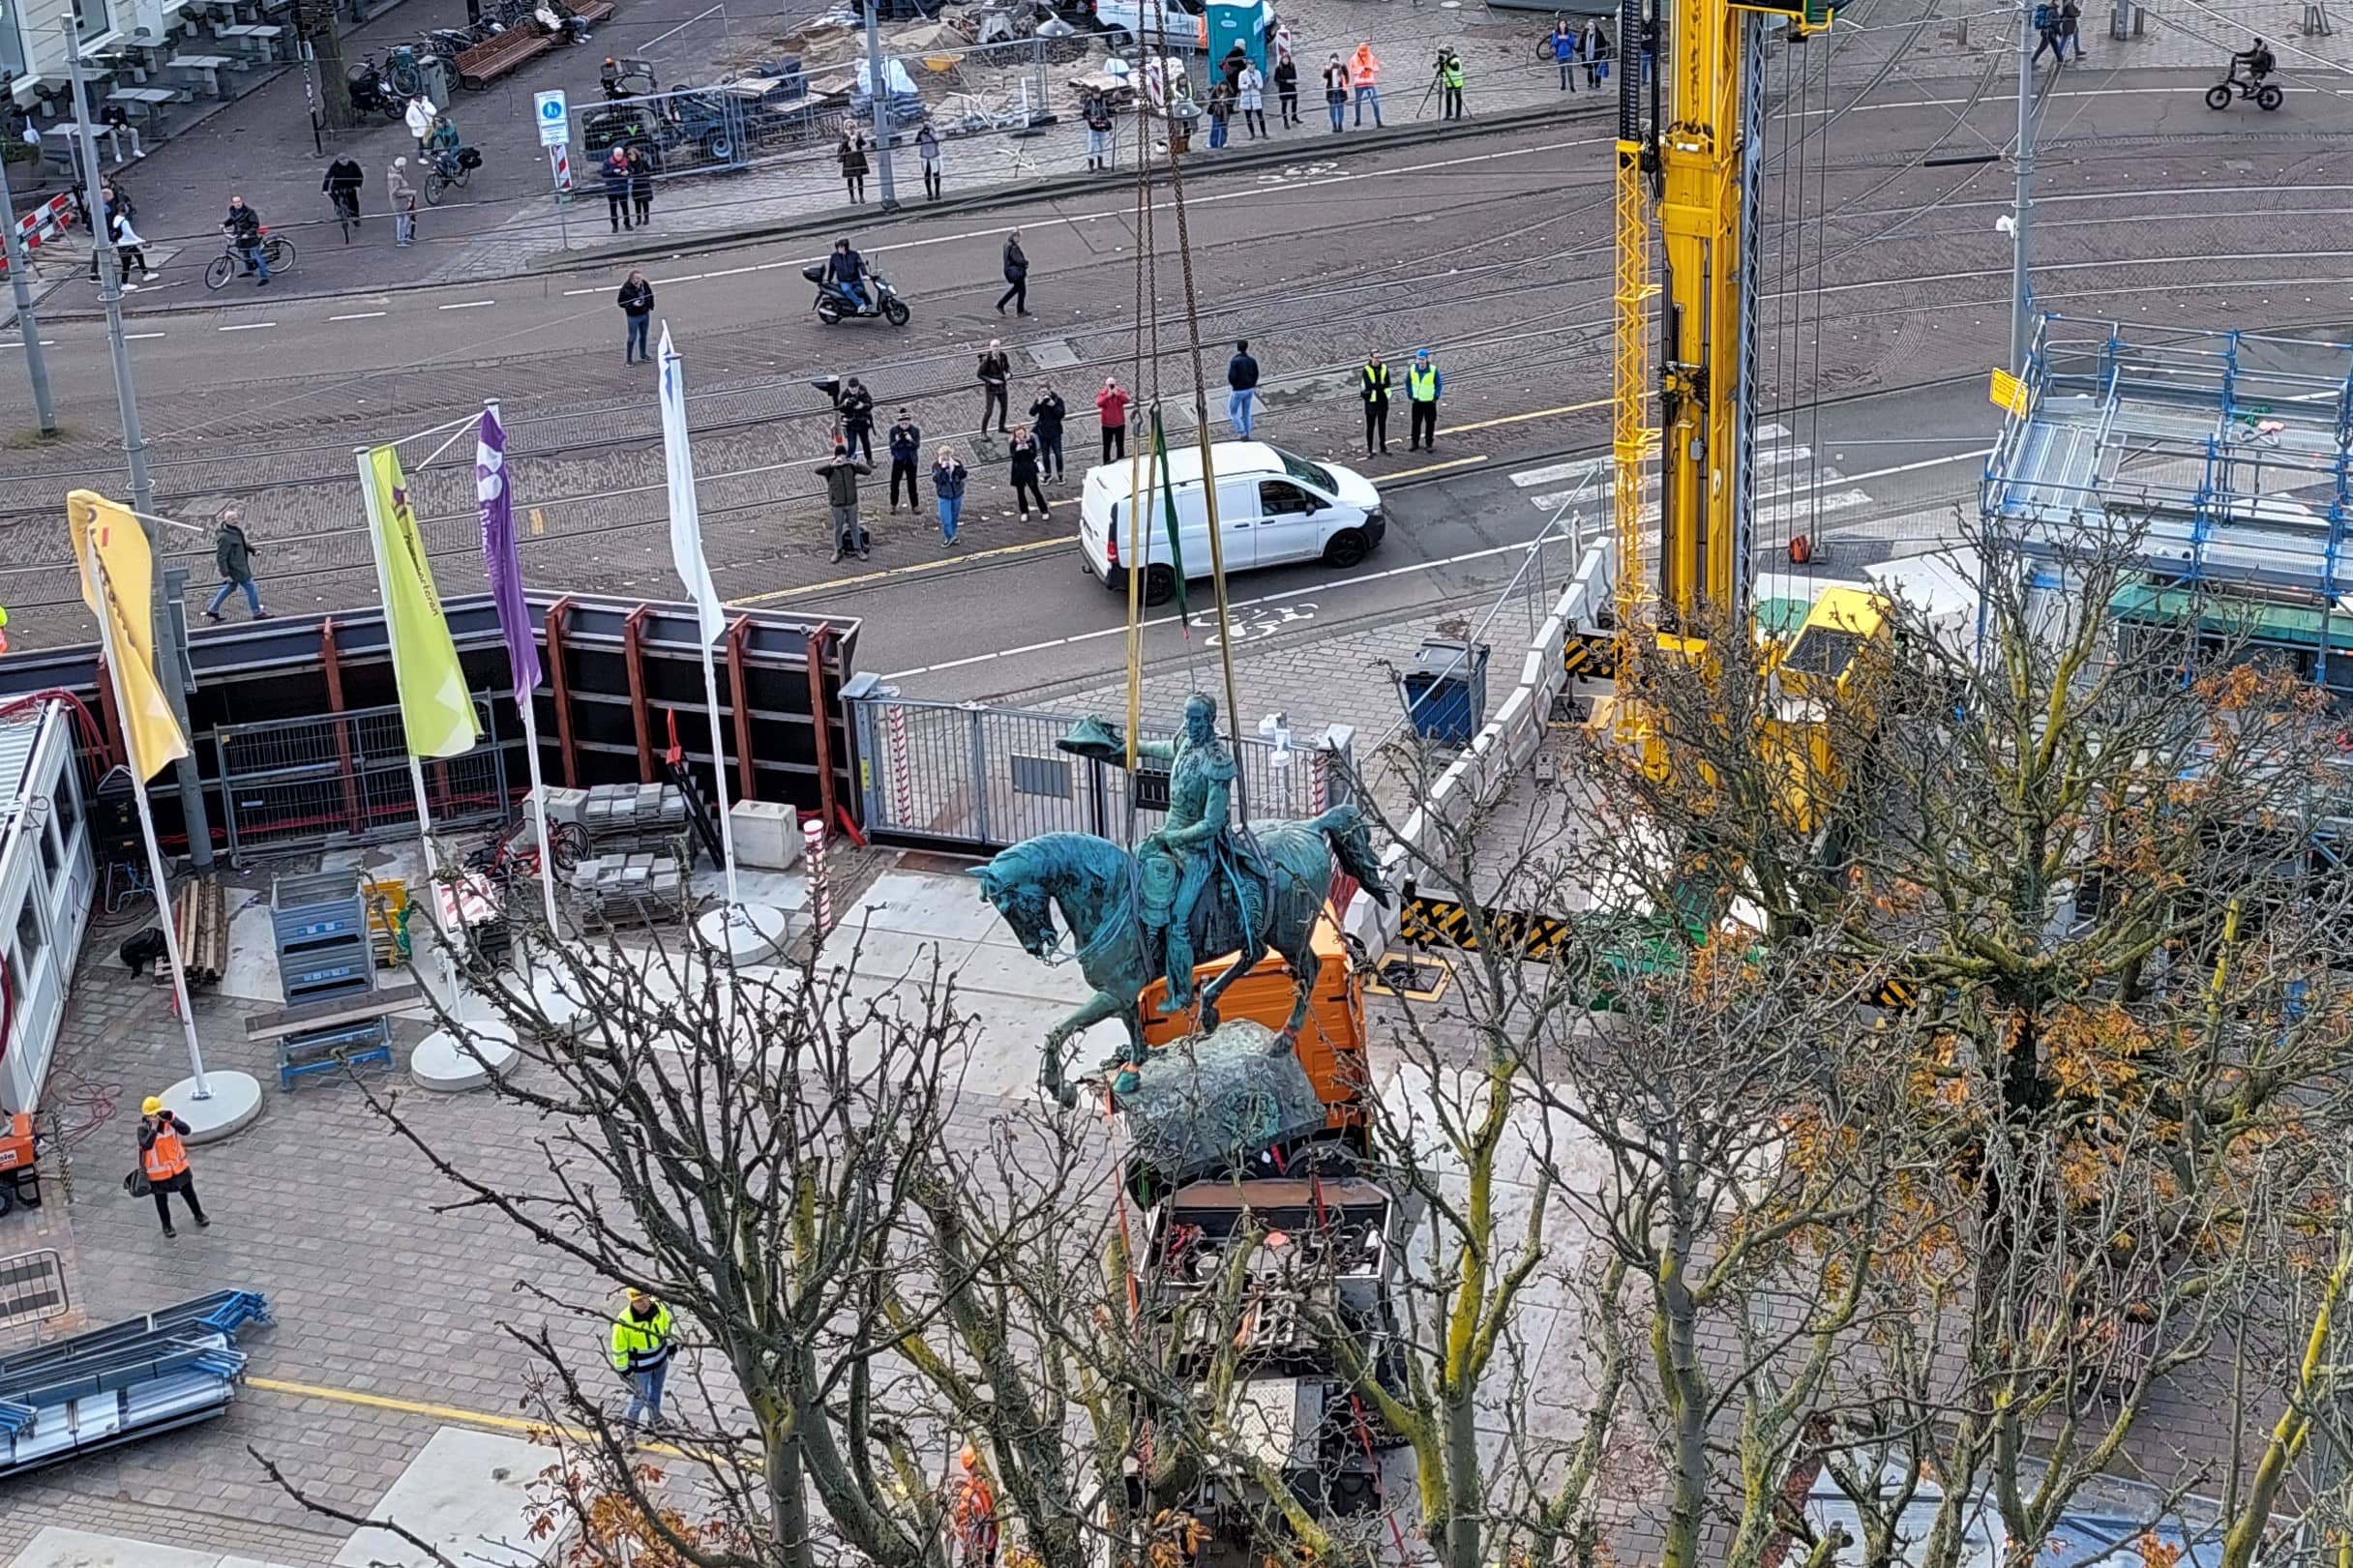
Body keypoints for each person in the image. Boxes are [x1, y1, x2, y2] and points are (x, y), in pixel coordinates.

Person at [1134, 693, 1237, 1011]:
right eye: (1187, 718)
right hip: (1168, 836)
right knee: (1132, 871)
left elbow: (1211, 823)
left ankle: (1180, 992)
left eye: (1196, 719)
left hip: (1198, 851)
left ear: (1210, 721)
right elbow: (1165, 750)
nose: (1190, 725)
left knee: (1179, 920)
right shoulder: (1185, 742)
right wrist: (1131, 746)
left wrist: (1174, 836)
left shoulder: (1218, 764)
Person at [137, 1096, 210, 1238]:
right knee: (161, 1200)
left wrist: (172, 1119)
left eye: (157, 1114)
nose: (155, 1117)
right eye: (152, 1115)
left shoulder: (170, 1123)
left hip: (178, 1167)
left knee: (189, 1193)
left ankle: (199, 1215)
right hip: (158, 1173)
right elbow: (146, 1145)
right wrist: (153, 1129)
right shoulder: (143, 1130)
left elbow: (186, 1130)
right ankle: (166, 1225)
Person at [608, 1289, 674, 1431]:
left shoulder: (659, 1308)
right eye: (639, 1301)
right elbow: (619, 1348)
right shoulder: (624, 1322)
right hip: (640, 1368)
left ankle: (656, 1420)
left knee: (656, 1391)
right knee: (640, 1399)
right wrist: (624, 1369)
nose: (644, 1303)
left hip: (660, 1361)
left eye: (645, 1298)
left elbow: (668, 1327)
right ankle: (629, 1430)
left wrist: (671, 1345)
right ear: (632, 1302)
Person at [203, 507, 265, 620]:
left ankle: (213, 610)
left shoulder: (235, 531)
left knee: (230, 587)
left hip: (239, 567)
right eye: (233, 519)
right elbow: (221, 556)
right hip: (236, 569)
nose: (236, 521)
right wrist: (225, 573)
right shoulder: (224, 537)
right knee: (251, 587)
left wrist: (253, 550)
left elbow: (242, 543)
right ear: (226, 520)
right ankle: (257, 612)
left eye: (236, 518)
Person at [819, 441, 873, 562]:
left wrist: (855, 463)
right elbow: (817, 470)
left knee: (854, 526)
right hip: (837, 504)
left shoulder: (850, 466)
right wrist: (832, 465)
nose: (842, 459)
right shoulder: (831, 469)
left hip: (851, 502)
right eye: (840, 456)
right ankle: (838, 550)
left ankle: (858, 549)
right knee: (838, 527)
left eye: (844, 456)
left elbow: (868, 471)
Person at [953, 1445, 999, 1568]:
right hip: (979, 1546)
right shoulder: (969, 1493)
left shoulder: (983, 1486)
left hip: (988, 1543)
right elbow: (969, 1526)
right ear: (972, 1466)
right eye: (978, 1461)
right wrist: (977, 1549)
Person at [223, 194, 268, 285]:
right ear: (232, 203)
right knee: (245, 255)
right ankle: (249, 270)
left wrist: (248, 234)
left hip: (251, 239)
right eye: (235, 202)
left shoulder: (249, 212)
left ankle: (264, 277)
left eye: (239, 201)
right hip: (241, 238)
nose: (238, 203)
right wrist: (224, 224)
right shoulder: (233, 211)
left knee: (257, 257)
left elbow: (255, 224)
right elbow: (232, 220)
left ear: (242, 202)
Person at [1406, 347, 1443, 451]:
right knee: (1416, 423)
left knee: (1430, 423)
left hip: (1429, 401)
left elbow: (1438, 384)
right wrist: (1410, 394)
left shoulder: (1433, 370)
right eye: (1419, 359)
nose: (1420, 362)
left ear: (1426, 359)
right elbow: (1408, 382)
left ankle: (1429, 444)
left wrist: (1436, 395)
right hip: (1417, 401)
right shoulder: (1412, 369)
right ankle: (1415, 443)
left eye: (1422, 359)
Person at [1029, 382, 1067, 482]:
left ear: (1049, 391)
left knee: (1058, 454)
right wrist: (1038, 403)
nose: (1044, 394)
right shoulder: (1039, 401)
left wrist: (1053, 405)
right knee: (1045, 455)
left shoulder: (1057, 400)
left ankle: (1060, 474)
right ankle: (1047, 474)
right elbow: (1032, 413)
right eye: (1041, 393)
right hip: (1043, 432)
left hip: (1055, 431)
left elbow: (1061, 414)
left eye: (1045, 392)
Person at [1007, 424, 1047, 519]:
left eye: (1021, 433)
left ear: (1025, 433)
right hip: (1018, 470)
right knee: (1020, 493)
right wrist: (1018, 450)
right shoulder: (1013, 443)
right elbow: (1013, 457)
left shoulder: (1030, 441)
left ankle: (1044, 510)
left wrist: (1027, 449)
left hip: (1029, 469)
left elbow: (1034, 455)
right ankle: (1024, 512)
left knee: (1036, 491)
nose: (1020, 436)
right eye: (1018, 434)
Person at [887, 408, 923, 511]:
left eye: (906, 423)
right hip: (898, 460)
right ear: (899, 423)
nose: (904, 425)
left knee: (912, 483)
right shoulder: (894, 430)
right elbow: (891, 446)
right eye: (902, 423)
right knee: (894, 483)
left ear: (909, 422)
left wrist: (910, 440)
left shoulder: (915, 430)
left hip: (911, 460)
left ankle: (915, 505)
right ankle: (893, 504)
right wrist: (897, 441)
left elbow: (917, 445)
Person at [933, 444, 968, 544]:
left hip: (956, 493)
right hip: (944, 495)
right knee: (945, 518)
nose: (946, 457)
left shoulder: (956, 463)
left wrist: (957, 468)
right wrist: (943, 469)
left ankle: (953, 534)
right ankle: (950, 536)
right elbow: (936, 479)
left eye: (948, 455)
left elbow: (963, 475)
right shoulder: (936, 465)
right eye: (944, 455)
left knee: (954, 516)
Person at [617, 269, 654, 364]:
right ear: (632, 279)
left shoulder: (644, 284)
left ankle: (643, 355)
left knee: (644, 335)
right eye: (638, 278)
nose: (640, 280)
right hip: (633, 317)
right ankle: (629, 359)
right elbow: (621, 303)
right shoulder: (626, 289)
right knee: (632, 337)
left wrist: (650, 306)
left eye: (640, 278)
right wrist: (632, 304)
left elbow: (650, 294)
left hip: (645, 313)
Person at [838, 375, 877, 462]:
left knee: (866, 443)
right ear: (848, 387)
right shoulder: (845, 394)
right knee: (852, 445)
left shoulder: (863, 391)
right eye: (851, 388)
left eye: (855, 387)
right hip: (851, 424)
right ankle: (848, 461)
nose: (853, 389)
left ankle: (869, 459)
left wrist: (863, 406)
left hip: (862, 422)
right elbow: (840, 409)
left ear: (858, 386)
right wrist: (845, 404)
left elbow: (870, 404)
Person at [1361, 350, 1393, 455]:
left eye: (1379, 357)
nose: (1377, 359)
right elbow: (1368, 385)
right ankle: (1370, 449)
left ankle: (1383, 447)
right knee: (1370, 427)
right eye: (1375, 357)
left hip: (1382, 401)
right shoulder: (1366, 369)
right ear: (1370, 358)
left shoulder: (1384, 367)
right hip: (1371, 402)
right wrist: (1380, 385)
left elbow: (1388, 383)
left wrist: (1377, 385)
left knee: (1382, 425)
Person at [323, 155, 365, 235]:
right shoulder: (334, 166)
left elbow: (360, 175)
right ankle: (340, 211)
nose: (344, 162)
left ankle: (355, 219)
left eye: (346, 159)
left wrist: (358, 186)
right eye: (342, 160)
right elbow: (328, 177)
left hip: (351, 186)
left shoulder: (353, 164)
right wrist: (325, 190)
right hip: (338, 187)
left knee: (354, 202)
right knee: (337, 200)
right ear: (338, 161)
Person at [1226, 339, 1260, 437]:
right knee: (1246, 413)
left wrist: (1235, 385)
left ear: (1238, 348)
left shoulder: (1235, 361)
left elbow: (1231, 376)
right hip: (1249, 389)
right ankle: (1248, 433)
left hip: (1238, 390)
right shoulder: (1252, 360)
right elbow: (1256, 374)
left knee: (1233, 412)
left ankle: (1242, 432)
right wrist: (1252, 384)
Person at [978, 340, 1011, 433]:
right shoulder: (986, 360)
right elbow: (980, 374)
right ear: (990, 348)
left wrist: (1008, 374)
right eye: (994, 346)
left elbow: (1007, 367)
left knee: (1004, 407)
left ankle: (1001, 427)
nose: (996, 348)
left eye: (997, 346)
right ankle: (983, 432)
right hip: (991, 388)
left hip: (1002, 386)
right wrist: (991, 380)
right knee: (989, 411)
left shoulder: (1003, 356)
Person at [827, 237, 869, 311]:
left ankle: (869, 304)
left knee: (861, 291)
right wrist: (829, 280)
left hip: (856, 279)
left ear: (846, 246)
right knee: (846, 290)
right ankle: (860, 304)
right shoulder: (834, 257)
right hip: (844, 281)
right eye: (838, 247)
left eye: (842, 246)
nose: (840, 248)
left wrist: (865, 274)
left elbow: (861, 264)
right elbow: (831, 269)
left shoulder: (854, 254)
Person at [1097, 376, 1131, 461]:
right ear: (1106, 385)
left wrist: (1118, 394)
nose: (1111, 387)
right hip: (1107, 425)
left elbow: (1127, 399)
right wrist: (1107, 396)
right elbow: (1098, 403)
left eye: (1112, 385)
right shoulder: (1103, 393)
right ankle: (1106, 463)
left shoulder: (1119, 392)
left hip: (1119, 424)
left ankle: (1121, 461)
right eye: (1109, 385)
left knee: (1120, 445)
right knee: (1106, 446)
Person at [601, 145, 634, 232]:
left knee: (625, 207)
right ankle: (615, 225)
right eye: (617, 155)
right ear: (614, 154)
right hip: (611, 188)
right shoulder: (607, 162)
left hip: (623, 187)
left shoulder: (626, 161)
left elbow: (631, 171)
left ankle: (627, 223)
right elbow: (603, 173)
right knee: (613, 208)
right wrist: (612, 171)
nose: (619, 157)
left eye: (621, 155)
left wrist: (627, 173)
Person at [1350, 44, 1383, 128]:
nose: (1363, 54)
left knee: (1375, 102)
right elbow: (1352, 71)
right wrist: (1360, 70)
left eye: (1365, 51)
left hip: (1370, 83)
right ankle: (1358, 119)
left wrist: (1371, 69)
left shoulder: (1371, 57)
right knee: (1358, 102)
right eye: (1362, 52)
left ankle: (1378, 121)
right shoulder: (1353, 59)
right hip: (1359, 84)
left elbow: (1377, 68)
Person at [998, 231, 1029, 316]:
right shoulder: (1013, 247)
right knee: (1022, 291)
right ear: (1014, 236)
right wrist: (1025, 262)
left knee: (1016, 289)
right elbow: (1018, 260)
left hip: (1011, 271)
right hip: (1017, 272)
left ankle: (1001, 304)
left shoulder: (1007, 245)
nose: (1019, 239)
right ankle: (1020, 311)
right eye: (1018, 237)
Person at [388, 158, 418, 248]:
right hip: (399, 203)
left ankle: (405, 236)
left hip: (402, 202)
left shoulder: (396, 175)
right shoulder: (395, 177)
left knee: (406, 219)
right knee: (401, 220)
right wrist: (410, 193)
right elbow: (395, 192)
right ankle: (401, 239)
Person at [1084, 89, 1114, 170]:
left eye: (1098, 93)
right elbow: (1085, 114)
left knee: (1102, 145)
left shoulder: (1104, 101)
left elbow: (1109, 111)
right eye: (1095, 93)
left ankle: (1100, 165)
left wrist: (1114, 111)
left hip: (1103, 126)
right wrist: (1090, 118)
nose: (1097, 95)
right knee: (1092, 146)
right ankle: (1091, 167)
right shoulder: (1089, 102)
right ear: (1092, 94)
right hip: (1093, 127)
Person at [1237, 58, 1266, 137]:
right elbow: (1240, 86)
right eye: (1249, 65)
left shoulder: (1258, 73)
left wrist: (1256, 84)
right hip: (1246, 97)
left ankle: (1264, 133)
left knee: (1260, 116)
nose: (1251, 66)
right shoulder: (1242, 74)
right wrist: (1247, 85)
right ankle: (1252, 133)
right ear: (1247, 65)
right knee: (1248, 117)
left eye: (1253, 65)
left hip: (1255, 95)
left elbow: (1261, 85)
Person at [627, 144, 654, 227]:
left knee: (645, 202)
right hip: (635, 184)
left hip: (643, 183)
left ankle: (646, 218)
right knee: (637, 203)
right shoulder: (628, 164)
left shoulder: (643, 161)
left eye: (632, 154)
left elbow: (649, 171)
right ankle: (638, 219)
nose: (630, 156)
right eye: (629, 155)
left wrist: (644, 176)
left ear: (636, 154)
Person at [1324, 53, 1351, 132]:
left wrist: (1341, 71)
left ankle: (1340, 124)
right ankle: (1334, 124)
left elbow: (1347, 78)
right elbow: (1325, 76)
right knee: (1332, 107)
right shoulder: (1328, 67)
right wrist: (1329, 68)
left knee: (1340, 107)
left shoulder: (1342, 66)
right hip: (1331, 91)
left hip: (1340, 90)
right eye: (1333, 60)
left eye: (1335, 59)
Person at [840, 131, 869, 203]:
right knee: (850, 178)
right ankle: (852, 197)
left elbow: (863, 143)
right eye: (849, 126)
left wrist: (859, 137)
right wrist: (846, 140)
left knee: (860, 178)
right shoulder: (845, 135)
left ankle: (861, 196)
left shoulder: (857, 133)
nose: (851, 128)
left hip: (859, 159)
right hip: (849, 160)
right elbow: (840, 149)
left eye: (852, 126)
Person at [1552, 16, 1580, 91]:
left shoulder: (1570, 33)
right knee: (1562, 71)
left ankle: (1572, 86)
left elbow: (1572, 43)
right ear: (1559, 25)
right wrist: (1559, 38)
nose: (1562, 25)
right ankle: (1563, 84)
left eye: (1564, 23)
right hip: (1560, 55)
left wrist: (1567, 38)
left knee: (1570, 70)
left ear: (1566, 25)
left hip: (1568, 55)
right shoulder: (1556, 33)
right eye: (1561, 24)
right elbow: (1553, 43)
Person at [917, 122, 943, 198]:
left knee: (936, 174)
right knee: (927, 175)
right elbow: (916, 141)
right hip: (925, 156)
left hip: (934, 155)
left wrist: (930, 134)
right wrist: (920, 133)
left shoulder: (933, 132)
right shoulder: (921, 133)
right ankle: (929, 193)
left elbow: (937, 141)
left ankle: (937, 192)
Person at [1206, 79, 1234, 149]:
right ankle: (1213, 143)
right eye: (1222, 85)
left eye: (1225, 86)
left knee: (1224, 128)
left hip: (1225, 112)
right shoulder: (1215, 91)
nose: (1224, 87)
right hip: (1216, 111)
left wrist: (1226, 102)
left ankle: (1223, 143)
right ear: (1220, 85)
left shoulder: (1229, 92)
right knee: (1215, 127)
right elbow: (1211, 100)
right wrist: (1218, 101)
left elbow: (1232, 101)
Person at [1273, 52, 1299, 126]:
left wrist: (1295, 81)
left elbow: (1294, 75)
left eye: (1287, 59)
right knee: (1284, 105)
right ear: (1282, 59)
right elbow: (1276, 79)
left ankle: (1294, 117)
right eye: (1284, 59)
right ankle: (1285, 121)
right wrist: (1286, 81)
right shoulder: (1278, 68)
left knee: (1294, 103)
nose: (1285, 60)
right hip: (1283, 89)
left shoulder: (1292, 65)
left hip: (1292, 88)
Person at [1438, 48, 1465, 120]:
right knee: (1448, 98)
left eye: (1448, 51)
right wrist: (1441, 62)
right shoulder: (1446, 58)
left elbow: (1456, 68)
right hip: (1449, 82)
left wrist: (1447, 61)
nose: (1446, 53)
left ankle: (1458, 116)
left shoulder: (1455, 59)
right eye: (1445, 52)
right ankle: (1448, 114)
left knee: (1458, 98)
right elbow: (1443, 70)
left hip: (1456, 82)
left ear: (1452, 52)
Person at [1584, 17, 1608, 87]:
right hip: (1588, 54)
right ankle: (1590, 82)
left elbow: (1603, 43)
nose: (1590, 27)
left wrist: (1603, 53)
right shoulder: (1585, 33)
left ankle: (1597, 83)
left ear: (1595, 26)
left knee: (1597, 69)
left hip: (1597, 54)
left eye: (1592, 25)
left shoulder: (1599, 33)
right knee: (1589, 69)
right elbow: (1582, 43)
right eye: (1589, 25)